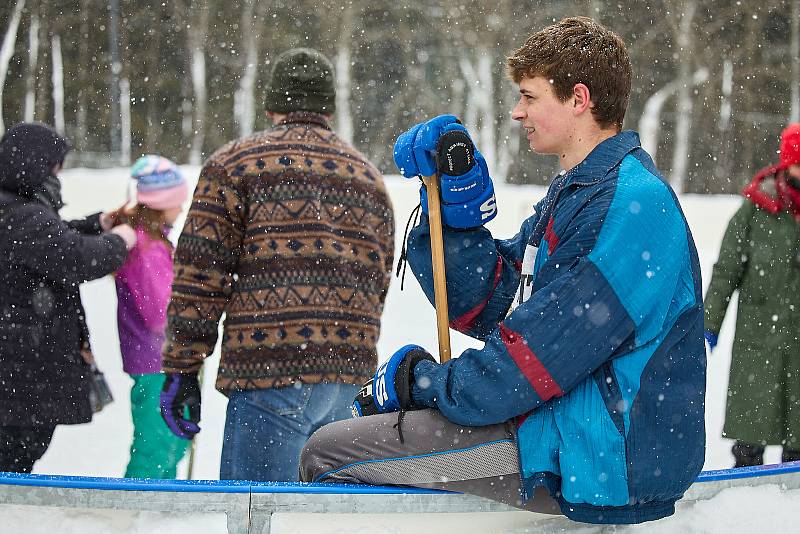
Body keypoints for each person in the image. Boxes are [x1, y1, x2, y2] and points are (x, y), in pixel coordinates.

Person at [300, 17, 706, 525]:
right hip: (569, 434)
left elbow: (535, 359)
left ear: (579, 99)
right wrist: (454, 214)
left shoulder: (632, 206)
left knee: (328, 452)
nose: (517, 112)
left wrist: (421, 383)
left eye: (530, 97)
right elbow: (496, 301)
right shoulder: (579, 193)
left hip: (599, 458)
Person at [159, 48, 395, 481]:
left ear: (271, 105)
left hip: (270, 370)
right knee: (314, 521)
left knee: (256, 516)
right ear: (328, 107)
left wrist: (182, 367)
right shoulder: (367, 177)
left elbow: (199, 275)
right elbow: (377, 279)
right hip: (346, 378)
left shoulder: (234, 166)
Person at [0, 122, 136, 473]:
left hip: (18, 363)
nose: (58, 173)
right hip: (20, 365)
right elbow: (74, 258)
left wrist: (98, 224)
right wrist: (121, 240)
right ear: (34, 165)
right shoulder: (19, 215)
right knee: (16, 451)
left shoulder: (15, 210)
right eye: (55, 164)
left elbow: (52, 240)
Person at [704, 124, 800, 468]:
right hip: (759, 331)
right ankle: (745, 469)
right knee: (753, 410)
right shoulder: (756, 209)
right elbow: (727, 269)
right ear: (787, 164)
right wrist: (709, 320)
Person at [109, 155, 191, 478]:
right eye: (178, 202)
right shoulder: (147, 250)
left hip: (161, 360)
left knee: (172, 438)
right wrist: (194, 312)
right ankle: (138, 506)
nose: (182, 208)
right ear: (161, 203)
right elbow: (160, 313)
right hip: (156, 361)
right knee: (157, 441)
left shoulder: (153, 243)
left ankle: (162, 505)